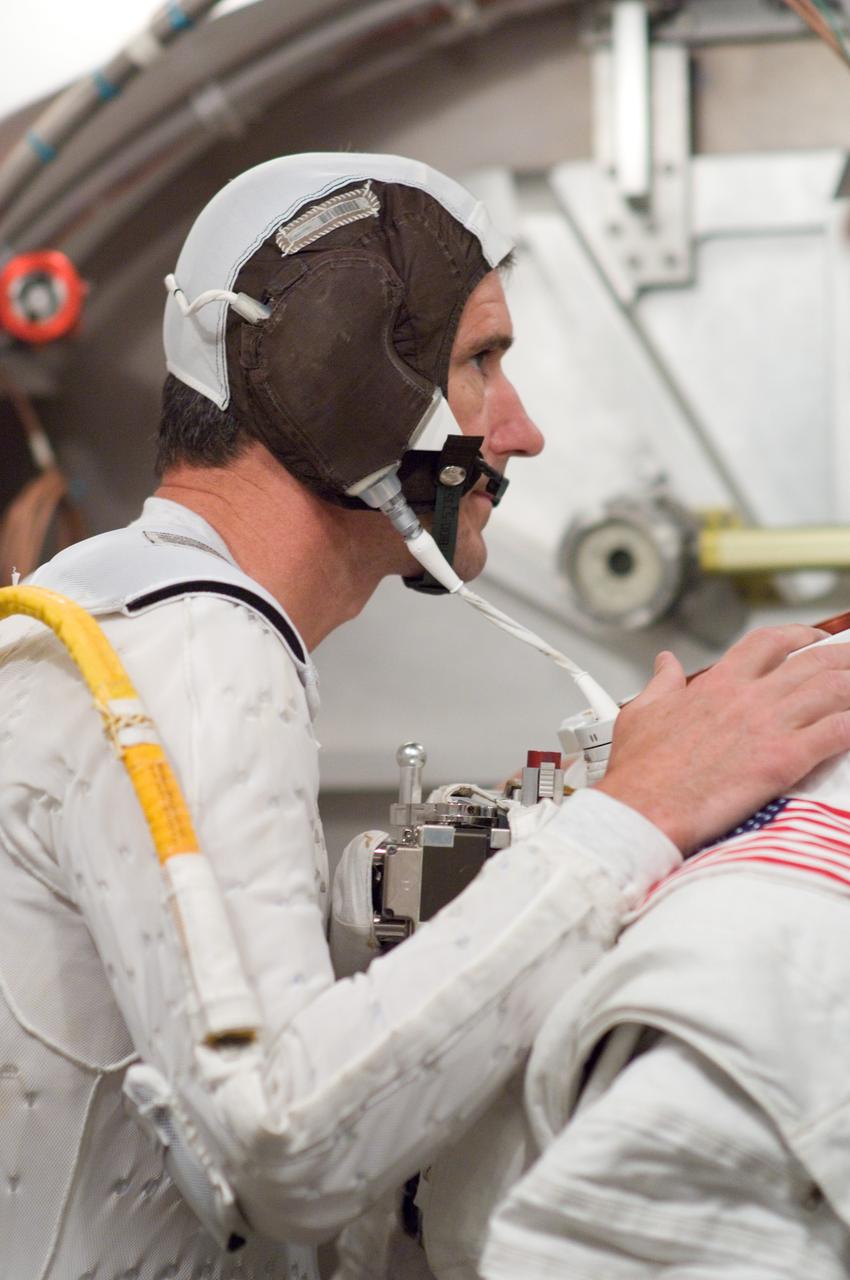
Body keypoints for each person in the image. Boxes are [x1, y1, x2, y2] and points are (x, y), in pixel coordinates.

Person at [2, 152, 850, 1280]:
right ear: (341, 375)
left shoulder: (136, 611)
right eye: (482, 363)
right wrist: (637, 808)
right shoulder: (195, 651)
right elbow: (284, 1136)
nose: (521, 430)